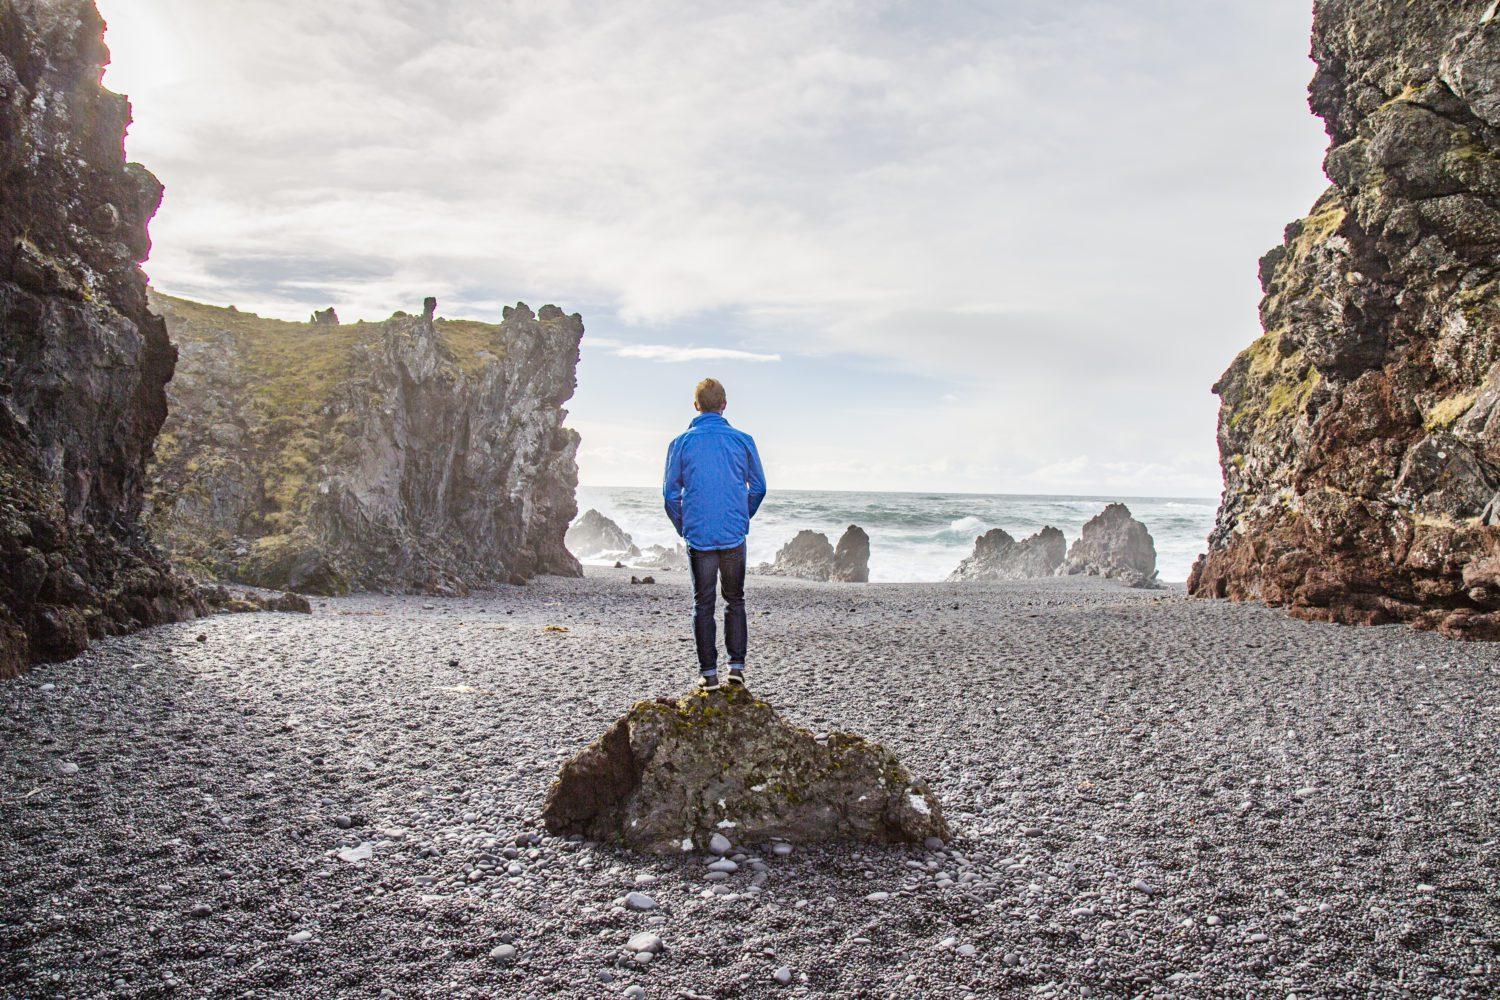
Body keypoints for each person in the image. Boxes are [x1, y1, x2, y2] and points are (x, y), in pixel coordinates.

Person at [662, 378, 767, 691]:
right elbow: (759, 487)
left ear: (697, 405)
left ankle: (708, 674)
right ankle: (736, 668)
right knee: (735, 600)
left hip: (699, 535)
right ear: (724, 404)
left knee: (703, 603)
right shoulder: (743, 440)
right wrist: (740, 516)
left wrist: (685, 525)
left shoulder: (680, 443)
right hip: (733, 534)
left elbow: (670, 495)